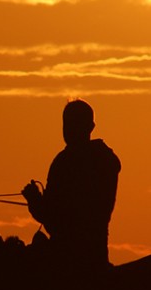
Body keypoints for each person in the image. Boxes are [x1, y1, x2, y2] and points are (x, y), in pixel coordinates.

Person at [22, 99, 121, 270]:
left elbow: (54, 219)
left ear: (90, 127)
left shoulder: (64, 162)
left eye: (71, 124)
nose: (67, 129)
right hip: (96, 253)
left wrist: (34, 199)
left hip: (64, 257)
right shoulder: (105, 161)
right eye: (66, 124)